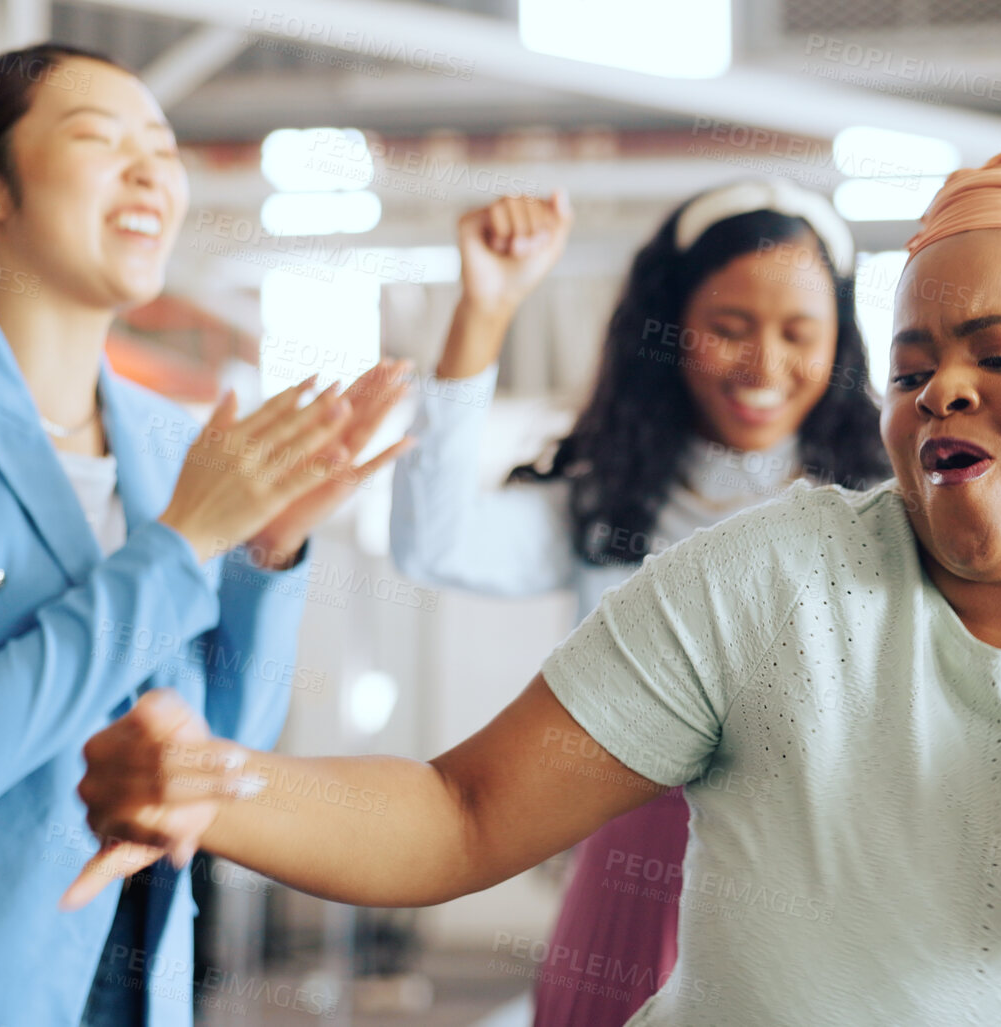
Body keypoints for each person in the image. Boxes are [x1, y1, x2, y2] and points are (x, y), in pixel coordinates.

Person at [69, 150, 1001, 1025]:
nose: (941, 390)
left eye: (998, 354)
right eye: (909, 371)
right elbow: (460, 812)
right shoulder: (774, 576)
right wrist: (221, 787)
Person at [0, 44, 409, 1026]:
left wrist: (266, 553)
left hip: (140, 979)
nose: (151, 170)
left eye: (164, 147)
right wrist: (185, 542)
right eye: (101, 140)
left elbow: (222, 761)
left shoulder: (174, 443)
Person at [388, 179, 887, 1025]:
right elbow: (429, 543)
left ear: (839, 341)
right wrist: (487, 307)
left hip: (833, 895)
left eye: (798, 333)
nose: (763, 365)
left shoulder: (884, 508)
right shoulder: (607, 506)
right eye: (729, 328)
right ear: (671, 330)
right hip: (633, 886)